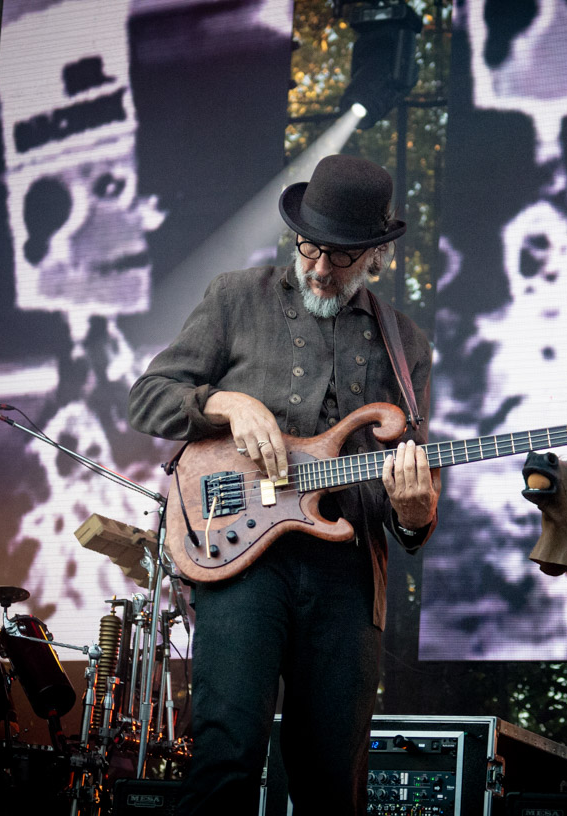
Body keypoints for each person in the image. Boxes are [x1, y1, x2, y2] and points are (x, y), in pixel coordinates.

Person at [127, 154, 439, 814]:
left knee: (330, 778)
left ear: (375, 254)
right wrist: (227, 404)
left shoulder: (404, 342)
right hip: (241, 562)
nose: (322, 268)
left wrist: (415, 511)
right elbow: (148, 398)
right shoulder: (235, 298)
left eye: (343, 257)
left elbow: (408, 495)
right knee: (226, 756)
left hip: (346, 574)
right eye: (311, 248)